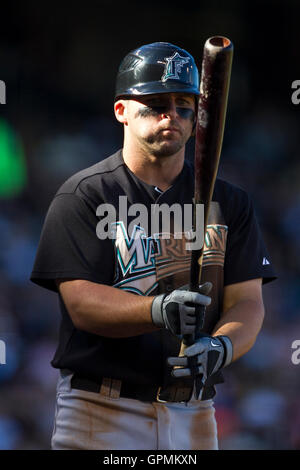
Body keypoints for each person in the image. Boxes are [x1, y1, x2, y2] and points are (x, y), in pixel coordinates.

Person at [30, 42, 276, 450]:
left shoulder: (230, 202)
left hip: (194, 411)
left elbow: (247, 303)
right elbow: (81, 303)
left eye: (183, 105)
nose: (171, 116)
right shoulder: (85, 195)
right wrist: (157, 310)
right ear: (121, 111)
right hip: (101, 408)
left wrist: (223, 345)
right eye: (156, 103)